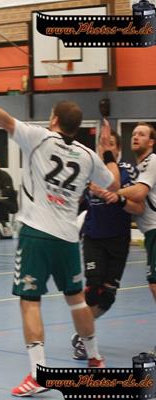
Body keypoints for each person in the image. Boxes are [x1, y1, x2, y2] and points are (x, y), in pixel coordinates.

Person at [0, 85, 121, 396]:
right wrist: (106, 153)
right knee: (77, 300)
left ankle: (38, 375)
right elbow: (113, 183)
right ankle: (95, 359)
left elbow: (6, 121)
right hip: (68, 239)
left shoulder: (39, 137)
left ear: (54, 119)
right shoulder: (88, 156)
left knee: (30, 301)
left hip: (36, 233)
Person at [71, 123, 143, 360]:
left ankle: (82, 331)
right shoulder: (89, 170)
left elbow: (138, 208)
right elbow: (77, 203)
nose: (105, 148)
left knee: (107, 298)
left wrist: (116, 197)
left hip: (118, 240)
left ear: (118, 149)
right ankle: (85, 339)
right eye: (102, 144)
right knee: (92, 290)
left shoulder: (127, 171)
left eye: (110, 144)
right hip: (94, 238)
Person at [117, 122, 156, 353]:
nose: (135, 137)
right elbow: (137, 207)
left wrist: (112, 193)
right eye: (133, 134)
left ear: (151, 142)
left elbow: (140, 194)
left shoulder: (152, 162)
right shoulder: (139, 168)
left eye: (141, 134)